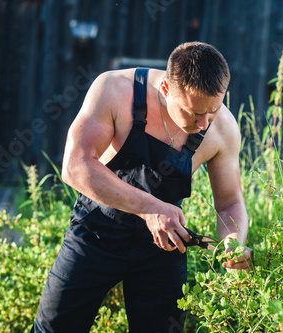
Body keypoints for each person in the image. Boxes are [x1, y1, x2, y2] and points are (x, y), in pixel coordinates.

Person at [30, 41, 252, 333]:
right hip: (95, 233)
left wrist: (232, 242)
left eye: (212, 111)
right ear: (164, 90)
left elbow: (229, 204)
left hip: (164, 249)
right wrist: (151, 208)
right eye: (192, 113)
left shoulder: (223, 128)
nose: (203, 124)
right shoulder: (113, 89)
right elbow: (75, 166)